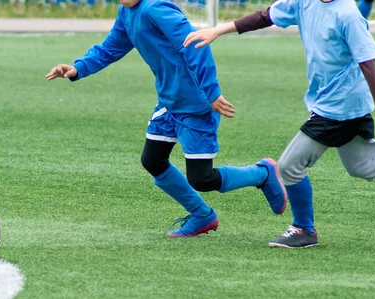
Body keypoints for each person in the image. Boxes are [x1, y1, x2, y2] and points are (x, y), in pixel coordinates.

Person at [183, 0, 375, 248]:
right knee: (365, 165)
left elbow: (371, 70)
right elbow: (265, 16)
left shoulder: (348, 14)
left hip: (339, 109)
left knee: (288, 167)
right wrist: (220, 29)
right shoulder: (304, 2)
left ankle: (303, 229)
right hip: (334, 105)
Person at [45, 0, 287, 237]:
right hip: (169, 102)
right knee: (153, 160)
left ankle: (262, 173)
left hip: (195, 105)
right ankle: (202, 215)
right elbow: (111, 48)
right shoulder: (127, 12)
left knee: (202, 178)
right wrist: (79, 68)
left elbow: (194, 44)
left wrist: (211, 92)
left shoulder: (156, 8)